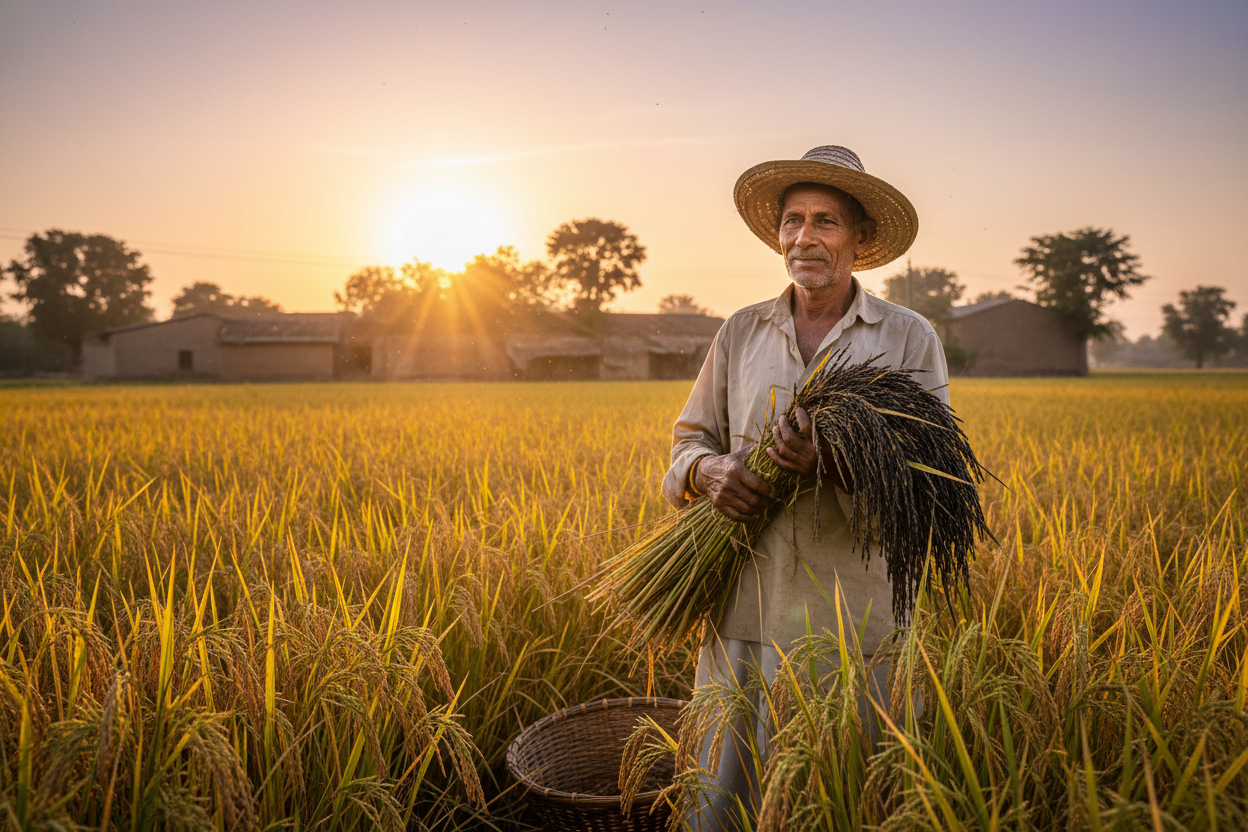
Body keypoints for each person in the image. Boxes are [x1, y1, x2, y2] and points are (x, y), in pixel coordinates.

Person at [662, 145, 948, 831]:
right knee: (727, 803)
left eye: (825, 221)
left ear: (861, 239)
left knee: (841, 796)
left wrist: (841, 460)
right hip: (745, 612)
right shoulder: (740, 331)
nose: (803, 238)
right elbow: (686, 446)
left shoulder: (906, 338)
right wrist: (711, 472)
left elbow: (932, 483)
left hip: (853, 622)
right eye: (793, 221)